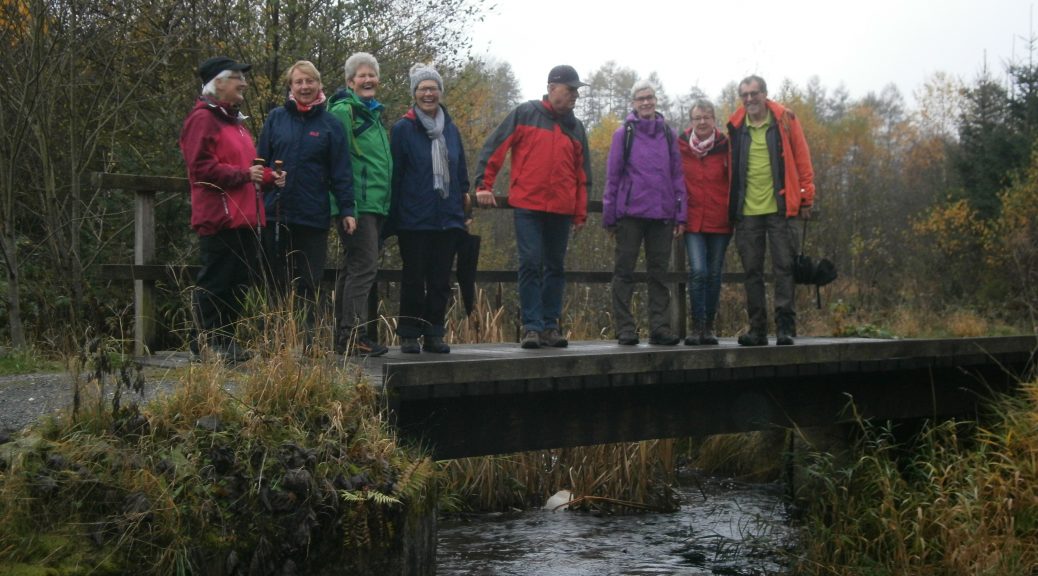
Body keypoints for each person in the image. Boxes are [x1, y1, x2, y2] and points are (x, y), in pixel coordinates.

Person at [474, 65, 591, 349]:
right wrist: (483, 185)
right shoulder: (525, 113)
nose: (575, 95)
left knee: (555, 267)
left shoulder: (576, 127)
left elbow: (584, 174)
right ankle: (531, 327)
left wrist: (580, 211)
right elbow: (495, 147)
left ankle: (550, 327)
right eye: (570, 89)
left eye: (577, 91)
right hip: (528, 204)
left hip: (561, 210)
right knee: (529, 263)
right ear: (552, 88)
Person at [180, 56, 285, 363]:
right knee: (216, 280)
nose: (244, 83)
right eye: (238, 77)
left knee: (239, 281)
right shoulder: (202, 119)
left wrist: (268, 178)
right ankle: (205, 342)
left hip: (246, 215)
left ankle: (226, 340)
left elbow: (246, 168)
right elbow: (199, 167)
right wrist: (243, 176)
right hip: (219, 215)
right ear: (219, 82)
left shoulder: (234, 122)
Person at [258, 60, 355, 346]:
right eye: (299, 82)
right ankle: (274, 342)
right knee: (274, 281)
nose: (304, 87)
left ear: (319, 85)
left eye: (309, 81)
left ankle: (309, 342)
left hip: (313, 216)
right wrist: (267, 179)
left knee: (309, 282)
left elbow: (341, 172)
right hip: (276, 212)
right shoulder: (276, 118)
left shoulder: (331, 125)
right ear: (290, 86)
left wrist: (347, 209)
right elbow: (258, 162)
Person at [727, 75, 815, 346]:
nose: (750, 99)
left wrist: (806, 198)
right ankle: (757, 330)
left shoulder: (785, 121)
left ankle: (786, 329)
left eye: (754, 93)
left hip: (780, 209)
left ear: (765, 94)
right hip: (748, 211)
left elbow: (802, 158)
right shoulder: (736, 126)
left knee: (784, 269)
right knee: (751, 272)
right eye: (745, 94)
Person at [388, 64, 470, 354]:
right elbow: (395, 174)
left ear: (440, 92)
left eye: (433, 88)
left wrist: (465, 209)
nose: (428, 93)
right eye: (422, 88)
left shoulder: (451, 129)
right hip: (414, 218)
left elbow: (460, 173)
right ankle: (409, 332)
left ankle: (434, 332)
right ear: (414, 93)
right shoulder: (403, 129)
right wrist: (394, 217)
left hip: (448, 218)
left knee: (440, 280)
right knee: (414, 277)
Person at [602, 81, 686, 346]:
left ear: (656, 100)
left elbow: (677, 174)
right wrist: (609, 216)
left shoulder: (668, 134)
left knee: (659, 274)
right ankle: (625, 328)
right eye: (641, 99)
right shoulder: (622, 134)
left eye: (649, 97)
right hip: (630, 215)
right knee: (624, 272)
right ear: (633, 103)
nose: (646, 102)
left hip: (662, 214)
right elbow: (612, 176)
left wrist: (680, 213)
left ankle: (660, 328)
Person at [328, 52, 391, 357]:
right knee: (364, 267)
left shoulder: (372, 114)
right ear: (350, 82)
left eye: (372, 75)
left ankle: (345, 336)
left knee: (354, 267)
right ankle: (353, 335)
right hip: (357, 204)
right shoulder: (344, 112)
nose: (368, 80)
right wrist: (346, 206)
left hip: (374, 204)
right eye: (362, 76)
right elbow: (337, 162)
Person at [679, 99, 732, 346]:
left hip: (720, 219)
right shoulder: (680, 146)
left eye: (707, 117)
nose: (702, 122)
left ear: (714, 120)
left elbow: (736, 180)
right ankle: (696, 325)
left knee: (714, 275)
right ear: (691, 121)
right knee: (698, 272)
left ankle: (709, 327)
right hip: (692, 220)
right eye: (697, 118)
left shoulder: (726, 146)